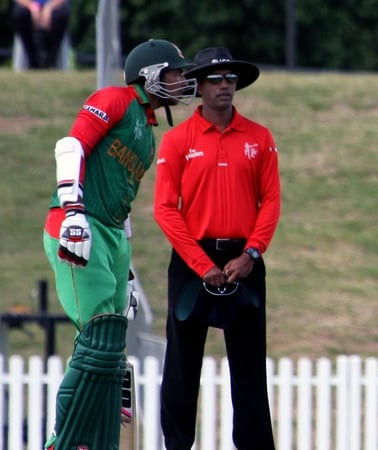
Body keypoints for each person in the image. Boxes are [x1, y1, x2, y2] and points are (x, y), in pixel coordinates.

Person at [41, 38, 195, 449]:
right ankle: (65, 439)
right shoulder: (114, 98)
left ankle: (101, 438)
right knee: (95, 341)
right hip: (79, 222)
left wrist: (126, 265)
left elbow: (123, 196)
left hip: (111, 233)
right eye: (174, 72)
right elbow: (70, 145)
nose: (182, 80)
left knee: (110, 348)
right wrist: (73, 210)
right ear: (148, 74)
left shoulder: (148, 131)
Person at [154, 47, 281, 450]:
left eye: (230, 79)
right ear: (201, 85)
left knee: (248, 366)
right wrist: (199, 262)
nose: (225, 85)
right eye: (215, 79)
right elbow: (164, 209)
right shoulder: (178, 140)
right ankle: (176, 445)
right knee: (181, 362)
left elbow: (271, 201)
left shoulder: (259, 137)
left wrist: (252, 253)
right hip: (194, 260)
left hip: (245, 259)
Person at [12, 0, 70, 69]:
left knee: (62, 14)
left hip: (54, 8)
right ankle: (32, 62)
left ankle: (51, 62)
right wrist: (32, 7)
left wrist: (49, 7)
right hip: (29, 8)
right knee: (20, 13)